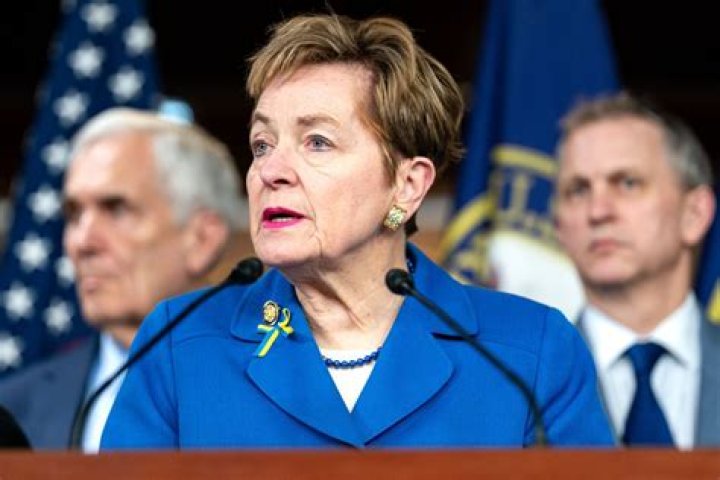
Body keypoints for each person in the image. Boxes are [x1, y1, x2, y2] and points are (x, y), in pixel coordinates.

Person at [101, 13, 613, 449]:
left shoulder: (529, 353)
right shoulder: (179, 345)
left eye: (317, 142)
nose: (270, 171)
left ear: (407, 186)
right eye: (262, 144)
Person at [0, 107, 244, 451]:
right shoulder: (14, 408)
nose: (82, 242)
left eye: (115, 209)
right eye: (73, 214)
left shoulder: (271, 384)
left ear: (202, 239)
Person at [554, 92, 719, 448]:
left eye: (627, 183)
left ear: (694, 214)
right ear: (558, 227)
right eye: (578, 190)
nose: (598, 211)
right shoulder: (519, 384)